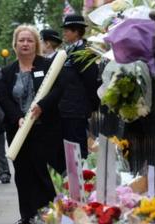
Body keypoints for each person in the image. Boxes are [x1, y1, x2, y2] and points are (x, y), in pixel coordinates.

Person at [0, 24, 64, 224]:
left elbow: (59, 89)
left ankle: (49, 213)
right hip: (18, 129)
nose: (25, 44)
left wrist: (42, 106)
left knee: (42, 171)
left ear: (36, 44)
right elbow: (4, 97)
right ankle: (26, 215)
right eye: (21, 40)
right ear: (15, 45)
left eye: (29, 40)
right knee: (23, 172)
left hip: (44, 128)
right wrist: (17, 117)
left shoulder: (47, 66)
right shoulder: (7, 71)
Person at [59, 14, 100, 159]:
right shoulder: (69, 50)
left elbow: (90, 81)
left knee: (78, 149)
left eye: (67, 30)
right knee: (69, 149)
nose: (64, 33)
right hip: (68, 108)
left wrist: (90, 106)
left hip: (77, 109)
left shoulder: (85, 51)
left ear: (76, 31)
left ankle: (82, 176)